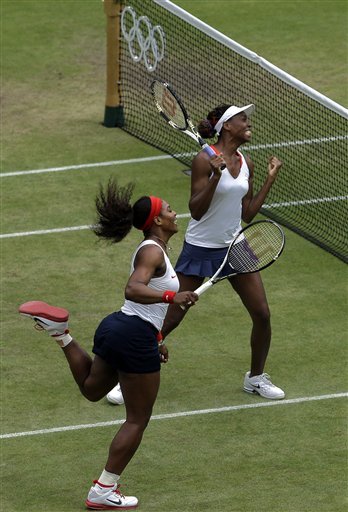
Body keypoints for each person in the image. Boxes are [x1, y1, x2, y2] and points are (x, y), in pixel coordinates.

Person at [19, 179, 198, 511]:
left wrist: (158, 337)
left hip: (119, 327)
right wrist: (173, 295)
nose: (176, 213)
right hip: (132, 335)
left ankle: (61, 334)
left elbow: (146, 307)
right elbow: (133, 289)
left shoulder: (156, 251)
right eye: (169, 209)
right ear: (157, 220)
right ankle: (103, 489)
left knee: (92, 389)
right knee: (137, 420)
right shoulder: (151, 250)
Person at [107, 103, 285, 405]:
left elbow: (248, 214)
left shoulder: (247, 162)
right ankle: (127, 377)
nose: (247, 122)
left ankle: (255, 378)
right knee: (172, 317)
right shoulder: (204, 160)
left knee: (262, 314)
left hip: (235, 247)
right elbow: (197, 212)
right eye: (242, 118)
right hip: (201, 248)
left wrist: (269, 179)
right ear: (227, 126)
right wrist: (216, 177)